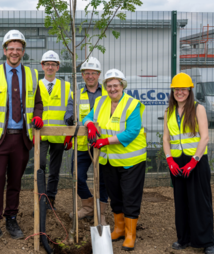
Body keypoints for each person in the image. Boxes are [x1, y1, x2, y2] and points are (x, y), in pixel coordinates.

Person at [0, 29, 44, 248]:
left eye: (19, 49)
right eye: (11, 48)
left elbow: (38, 103)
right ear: (5, 50)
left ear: (23, 51)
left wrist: (37, 116)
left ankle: (12, 219)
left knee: (15, 182)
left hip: (21, 140)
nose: (14, 52)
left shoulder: (33, 75)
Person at [83, 69, 147, 251]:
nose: (112, 89)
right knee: (115, 196)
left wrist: (105, 140)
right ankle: (119, 229)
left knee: (130, 197)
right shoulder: (101, 101)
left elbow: (132, 131)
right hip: (109, 160)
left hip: (131, 160)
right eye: (109, 85)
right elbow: (88, 117)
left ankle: (130, 234)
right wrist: (90, 126)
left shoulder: (132, 104)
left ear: (122, 86)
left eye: (115, 85)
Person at [162, 72, 214, 254]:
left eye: (183, 89)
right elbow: (165, 139)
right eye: (177, 89)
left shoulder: (198, 108)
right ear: (173, 91)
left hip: (197, 162)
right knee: (181, 202)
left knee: (201, 202)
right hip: (177, 163)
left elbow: (205, 137)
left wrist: (194, 161)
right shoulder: (168, 111)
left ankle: (207, 242)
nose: (180, 92)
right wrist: (169, 159)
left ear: (189, 90)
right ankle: (183, 239)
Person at [64, 56, 109, 224]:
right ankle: (89, 206)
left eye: (93, 73)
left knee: (103, 179)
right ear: (82, 75)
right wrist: (69, 119)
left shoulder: (107, 93)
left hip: (103, 144)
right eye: (87, 73)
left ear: (99, 75)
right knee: (77, 176)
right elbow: (69, 112)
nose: (90, 76)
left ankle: (101, 213)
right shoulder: (76, 94)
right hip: (82, 144)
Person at [38, 50, 73, 210]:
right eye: (47, 64)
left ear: (58, 67)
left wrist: (69, 134)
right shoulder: (36, 86)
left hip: (59, 135)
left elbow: (71, 110)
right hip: (41, 134)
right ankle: (41, 198)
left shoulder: (66, 87)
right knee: (41, 166)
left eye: (53, 64)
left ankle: (50, 199)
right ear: (42, 66)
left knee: (54, 170)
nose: (50, 67)